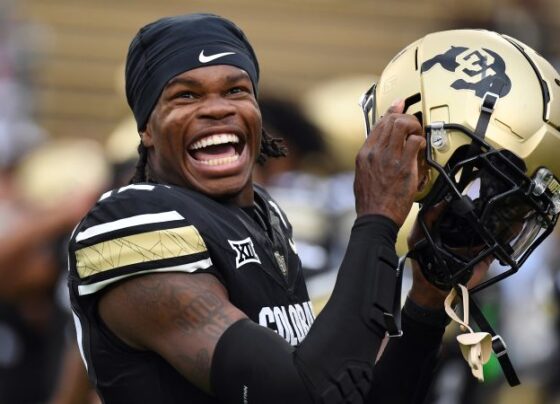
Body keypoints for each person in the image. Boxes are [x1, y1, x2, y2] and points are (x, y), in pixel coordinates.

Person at [66, 13, 462, 403]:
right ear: (146, 128)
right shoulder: (134, 222)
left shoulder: (264, 215)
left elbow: (347, 392)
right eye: (186, 95)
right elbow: (297, 395)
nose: (218, 108)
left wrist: (428, 294)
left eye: (236, 90)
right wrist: (376, 218)